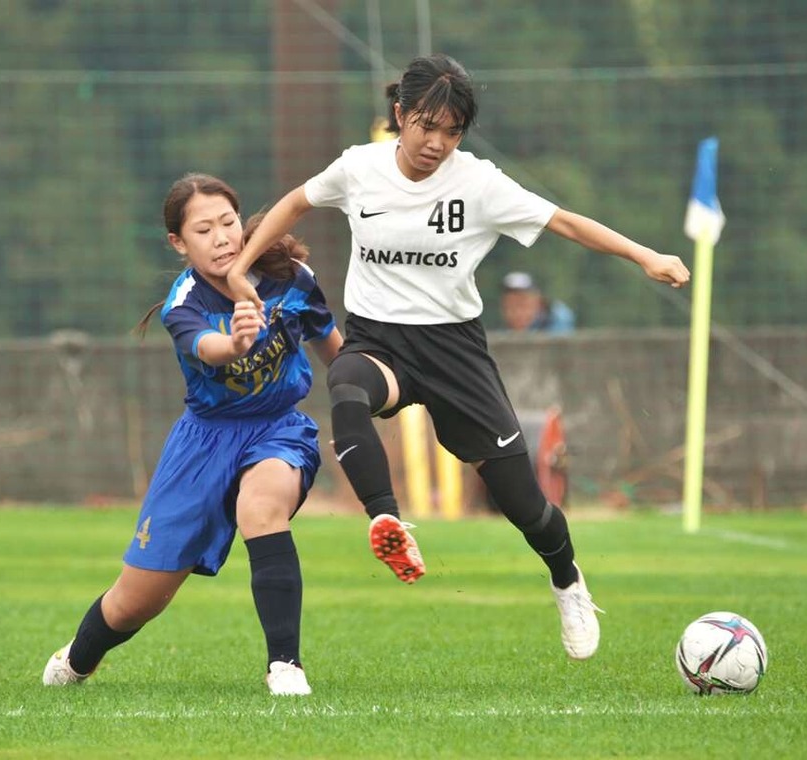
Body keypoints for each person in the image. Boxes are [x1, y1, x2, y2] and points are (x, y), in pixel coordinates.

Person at [226, 54, 690, 661]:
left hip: (454, 352)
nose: (437, 144)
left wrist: (645, 255)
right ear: (400, 115)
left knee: (525, 506)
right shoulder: (359, 168)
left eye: (452, 132)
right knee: (346, 380)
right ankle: (387, 521)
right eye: (426, 126)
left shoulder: (479, 184)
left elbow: (566, 223)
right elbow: (293, 203)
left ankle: (568, 579)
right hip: (379, 340)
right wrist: (240, 268)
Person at [42, 173, 343, 696]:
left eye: (228, 222)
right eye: (204, 230)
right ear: (179, 243)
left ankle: (285, 666)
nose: (222, 237)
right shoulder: (183, 302)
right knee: (135, 602)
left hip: (279, 427)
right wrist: (237, 343)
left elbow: (338, 354)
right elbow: (209, 348)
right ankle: (76, 659)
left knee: (260, 508)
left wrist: (367, 400)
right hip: (204, 443)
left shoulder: (292, 278)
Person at [500, 271, 576, 333]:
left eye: (523, 305)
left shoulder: (557, 320)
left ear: (538, 303)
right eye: (511, 307)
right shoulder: (503, 334)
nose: (518, 313)